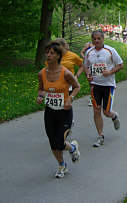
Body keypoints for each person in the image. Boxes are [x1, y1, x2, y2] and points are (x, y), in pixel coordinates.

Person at [36, 41, 81, 178]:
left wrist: (70, 98)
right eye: (47, 52)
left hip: (64, 112)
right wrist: (40, 96)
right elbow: (42, 89)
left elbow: (77, 86)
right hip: (50, 111)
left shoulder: (65, 73)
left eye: (52, 53)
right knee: (53, 142)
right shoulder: (42, 73)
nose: (48, 55)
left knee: (59, 142)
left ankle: (72, 148)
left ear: (58, 56)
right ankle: (62, 165)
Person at [84, 30, 123, 147]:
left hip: (108, 85)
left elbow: (120, 64)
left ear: (103, 39)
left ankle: (114, 116)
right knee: (96, 110)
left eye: (98, 38)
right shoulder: (89, 52)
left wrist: (110, 71)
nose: (96, 41)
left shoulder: (110, 50)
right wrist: (88, 75)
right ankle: (100, 136)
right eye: (94, 39)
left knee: (106, 112)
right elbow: (85, 66)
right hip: (95, 85)